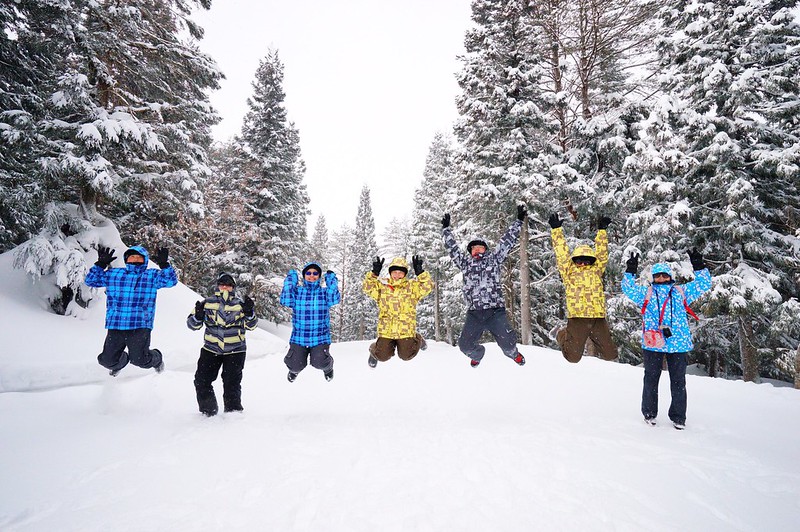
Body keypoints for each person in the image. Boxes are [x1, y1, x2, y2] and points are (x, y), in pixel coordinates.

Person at [622, 249, 711, 430]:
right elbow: (627, 288)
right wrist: (631, 270)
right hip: (653, 343)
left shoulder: (680, 292)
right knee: (651, 379)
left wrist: (698, 265)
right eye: (657, 276)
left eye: (664, 275)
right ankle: (649, 413)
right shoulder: (646, 293)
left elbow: (704, 283)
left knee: (678, 381)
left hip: (678, 344)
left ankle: (678, 417)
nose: (661, 278)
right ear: (653, 278)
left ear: (669, 276)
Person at [442, 205, 527, 367]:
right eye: (474, 248)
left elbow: (506, 242)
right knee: (464, 346)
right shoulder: (465, 263)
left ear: (486, 249)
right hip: (475, 314)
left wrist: (518, 221)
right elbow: (453, 250)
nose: (477, 250)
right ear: (470, 251)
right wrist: (446, 230)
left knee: (508, 344)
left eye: (480, 247)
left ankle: (513, 354)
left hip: (496, 312)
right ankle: (478, 355)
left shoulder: (494, 260)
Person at [85, 244, 177, 376]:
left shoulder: (151, 276)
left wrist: (164, 265)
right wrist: (100, 265)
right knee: (107, 360)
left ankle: (157, 359)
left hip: (139, 324)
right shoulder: (114, 274)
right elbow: (91, 281)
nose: (134, 260)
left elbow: (170, 281)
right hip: (116, 324)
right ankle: (122, 361)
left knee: (140, 360)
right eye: (131, 257)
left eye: (138, 258)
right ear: (126, 259)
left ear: (144, 260)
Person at [549, 212, 618, 363]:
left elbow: (602, 253)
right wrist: (556, 231)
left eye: (586, 261)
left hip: (597, 317)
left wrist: (602, 230)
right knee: (572, 358)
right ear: (575, 261)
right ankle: (561, 333)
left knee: (610, 355)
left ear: (592, 261)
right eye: (579, 261)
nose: (582, 264)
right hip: (578, 317)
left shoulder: (597, 269)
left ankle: (590, 338)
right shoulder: (569, 270)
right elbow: (561, 253)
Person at [187, 272, 257, 416]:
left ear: (233, 288)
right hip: (211, 349)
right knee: (201, 380)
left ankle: (233, 412)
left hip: (236, 350)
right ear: (217, 286)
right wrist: (197, 317)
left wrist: (250, 313)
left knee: (232, 382)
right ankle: (208, 411)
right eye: (222, 284)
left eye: (228, 285)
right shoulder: (206, 303)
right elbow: (192, 325)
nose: (225, 287)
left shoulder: (240, 305)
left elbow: (252, 326)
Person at [363, 256, 433, 367]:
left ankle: (418, 338)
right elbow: (367, 287)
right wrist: (374, 274)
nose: (397, 275)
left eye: (400, 272)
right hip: (387, 329)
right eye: (394, 272)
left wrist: (420, 273)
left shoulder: (412, 287)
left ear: (405, 274)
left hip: (405, 329)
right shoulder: (383, 286)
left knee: (406, 355)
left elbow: (428, 286)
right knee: (382, 356)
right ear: (390, 273)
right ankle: (374, 351)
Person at [280, 262, 340, 382]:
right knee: (295, 364)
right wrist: (291, 278)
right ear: (304, 276)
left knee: (320, 362)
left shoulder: (324, 293)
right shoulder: (297, 292)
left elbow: (335, 298)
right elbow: (285, 299)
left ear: (319, 276)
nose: (311, 275)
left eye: (315, 273)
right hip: (299, 337)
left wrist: (331, 279)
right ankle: (294, 371)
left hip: (320, 337)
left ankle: (328, 368)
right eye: (308, 273)